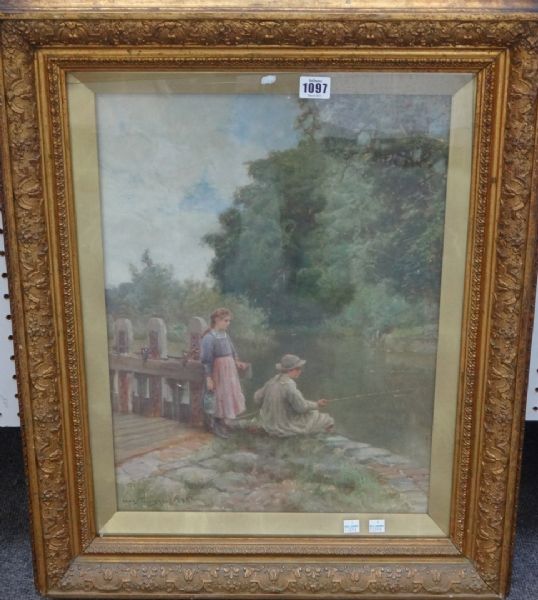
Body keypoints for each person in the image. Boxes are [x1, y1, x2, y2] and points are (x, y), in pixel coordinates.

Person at [253, 354, 334, 437]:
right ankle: (325, 438)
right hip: (284, 424)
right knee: (324, 419)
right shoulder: (289, 384)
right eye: (298, 369)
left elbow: (257, 398)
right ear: (290, 370)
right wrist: (317, 404)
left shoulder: (272, 381)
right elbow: (301, 407)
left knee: (312, 414)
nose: (300, 371)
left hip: (269, 424)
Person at [201, 308, 247, 437]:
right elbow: (206, 360)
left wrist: (236, 361)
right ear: (217, 320)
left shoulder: (225, 335)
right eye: (226, 321)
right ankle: (216, 425)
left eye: (229, 321)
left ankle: (224, 422)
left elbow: (232, 351)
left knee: (228, 395)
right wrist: (209, 378)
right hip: (219, 371)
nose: (228, 323)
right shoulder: (209, 337)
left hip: (229, 370)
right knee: (219, 395)